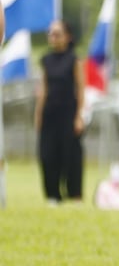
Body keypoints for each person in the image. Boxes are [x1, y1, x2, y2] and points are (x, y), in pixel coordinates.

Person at [34, 19, 86, 204]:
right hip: (50, 114)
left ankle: (74, 195)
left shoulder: (74, 60)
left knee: (70, 156)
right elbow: (44, 90)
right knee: (48, 155)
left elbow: (80, 88)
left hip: (68, 113)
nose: (53, 37)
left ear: (67, 37)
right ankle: (53, 196)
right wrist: (38, 115)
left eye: (57, 33)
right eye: (50, 33)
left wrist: (79, 116)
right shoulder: (46, 60)